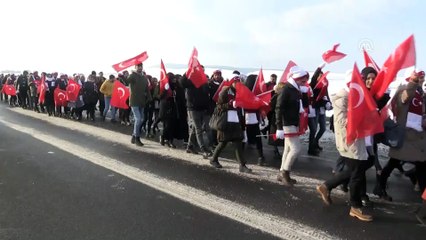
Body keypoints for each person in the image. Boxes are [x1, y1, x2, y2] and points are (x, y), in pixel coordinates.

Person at [316, 70, 374, 222]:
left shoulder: (356, 96)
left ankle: (327, 186)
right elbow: (342, 123)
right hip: (350, 142)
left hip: (358, 139)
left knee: (359, 167)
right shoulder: (342, 98)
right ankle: (355, 207)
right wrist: (361, 116)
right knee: (356, 174)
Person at [379, 69, 426, 197]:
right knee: (393, 162)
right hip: (406, 136)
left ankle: (423, 198)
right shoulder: (404, 91)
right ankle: (380, 185)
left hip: (418, 137)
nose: (421, 80)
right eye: (419, 78)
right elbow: (405, 99)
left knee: (421, 166)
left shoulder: (421, 94)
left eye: (422, 78)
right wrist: (413, 82)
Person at [210, 76, 252, 173]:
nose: (238, 84)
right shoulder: (225, 91)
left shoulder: (240, 93)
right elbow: (219, 107)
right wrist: (230, 104)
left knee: (238, 142)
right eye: (236, 82)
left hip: (235, 120)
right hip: (225, 121)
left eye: (239, 82)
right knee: (223, 142)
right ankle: (213, 159)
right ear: (232, 82)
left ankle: (242, 165)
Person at [275, 66, 309, 186]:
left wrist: (305, 94)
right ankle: (285, 172)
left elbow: (305, 105)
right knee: (296, 149)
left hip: (294, 122)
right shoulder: (287, 89)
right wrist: (279, 127)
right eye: (303, 80)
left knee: (288, 149)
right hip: (287, 123)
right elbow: (278, 108)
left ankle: (281, 173)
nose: (305, 83)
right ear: (297, 78)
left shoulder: (297, 89)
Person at [180, 72, 212, 158]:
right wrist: (187, 73)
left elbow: (207, 95)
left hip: (202, 108)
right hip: (193, 108)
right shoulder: (190, 81)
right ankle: (203, 149)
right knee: (198, 129)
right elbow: (182, 83)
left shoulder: (204, 82)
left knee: (195, 128)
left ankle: (190, 146)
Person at [124, 63, 152, 146]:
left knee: (142, 119)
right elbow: (126, 81)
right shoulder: (133, 76)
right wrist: (128, 74)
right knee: (138, 119)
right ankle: (137, 138)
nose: (140, 68)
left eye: (141, 67)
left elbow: (147, 89)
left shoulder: (144, 77)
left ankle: (133, 135)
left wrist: (150, 98)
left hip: (142, 101)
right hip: (134, 101)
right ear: (135, 67)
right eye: (138, 67)